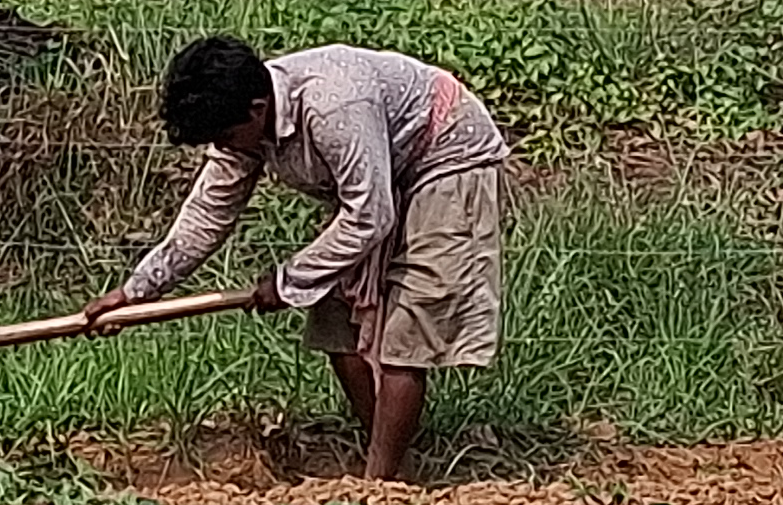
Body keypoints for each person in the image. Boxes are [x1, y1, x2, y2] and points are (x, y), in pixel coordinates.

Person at [84, 36, 509, 480]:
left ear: (257, 109)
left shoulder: (333, 105)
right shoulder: (239, 130)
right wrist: (135, 291)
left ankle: (379, 485)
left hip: (446, 155)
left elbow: (369, 216)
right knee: (334, 315)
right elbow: (207, 215)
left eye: (227, 138)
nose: (225, 148)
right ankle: (393, 462)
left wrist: (288, 281)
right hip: (378, 180)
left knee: (409, 328)